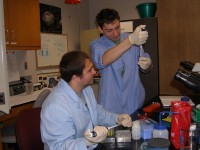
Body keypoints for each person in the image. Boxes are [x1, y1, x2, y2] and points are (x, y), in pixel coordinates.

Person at [40, 51, 132, 150]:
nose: (94, 72)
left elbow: (97, 112)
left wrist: (117, 118)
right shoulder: (56, 107)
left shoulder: (85, 89)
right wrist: (87, 142)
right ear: (75, 77)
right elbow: (59, 147)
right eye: (89, 70)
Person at [90, 8, 152, 119]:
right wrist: (130, 40)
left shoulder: (133, 39)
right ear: (100, 29)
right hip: (111, 106)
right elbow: (103, 60)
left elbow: (145, 62)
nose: (115, 33)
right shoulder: (96, 45)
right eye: (109, 30)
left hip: (134, 101)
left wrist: (147, 65)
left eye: (117, 27)